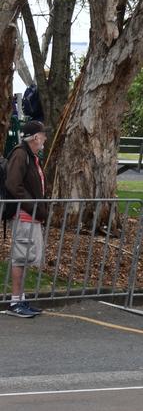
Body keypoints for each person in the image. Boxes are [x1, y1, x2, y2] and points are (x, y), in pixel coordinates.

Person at [5, 120, 49, 318]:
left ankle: (20, 298)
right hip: (23, 215)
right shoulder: (21, 154)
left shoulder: (31, 155)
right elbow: (14, 185)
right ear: (36, 137)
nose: (45, 139)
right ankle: (15, 302)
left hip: (31, 216)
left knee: (26, 258)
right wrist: (34, 207)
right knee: (20, 258)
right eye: (43, 136)